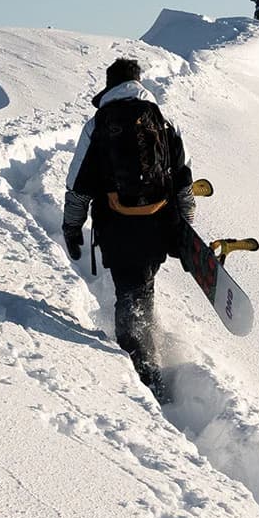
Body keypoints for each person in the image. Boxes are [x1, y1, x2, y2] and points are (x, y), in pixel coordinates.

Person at [62, 58, 196, 397]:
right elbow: (183, 180)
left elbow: (77, 185)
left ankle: (142, 370)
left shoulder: (97, 125)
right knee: (143, 282)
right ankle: (148, 348)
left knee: (128, 291)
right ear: (138, 82)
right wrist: (186, 226)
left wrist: (72, 228)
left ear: (109, 85)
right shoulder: (163, 122)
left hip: (116, 225)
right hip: (158, 223)